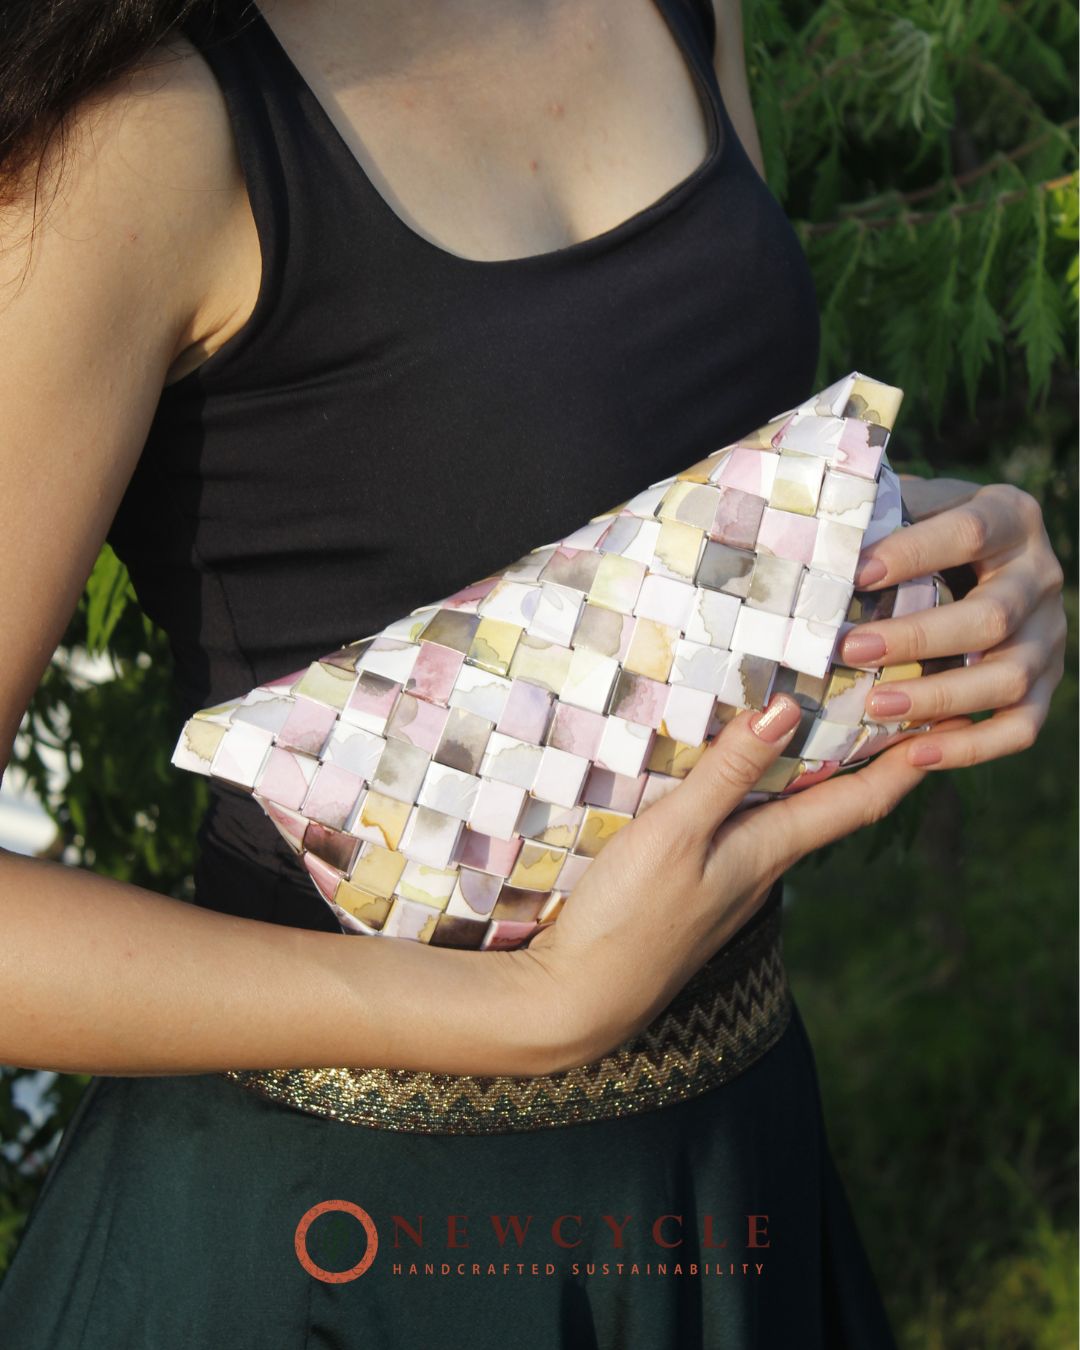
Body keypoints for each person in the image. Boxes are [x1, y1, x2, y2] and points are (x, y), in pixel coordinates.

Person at [0, 0, 1066, 1345]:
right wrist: (527, 1007)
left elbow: (644, 519)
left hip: (726, 1164)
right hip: (341, 1245)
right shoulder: (145, 128)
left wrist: (940, 545)